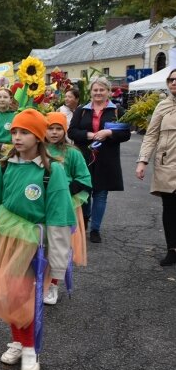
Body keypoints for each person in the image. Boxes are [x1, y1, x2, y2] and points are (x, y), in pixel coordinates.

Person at [0, 109, 74, 370]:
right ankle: (19, 341)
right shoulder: (5, 166)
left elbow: (58, 220)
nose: (17, 137)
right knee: (9, 294)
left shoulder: (51, 171)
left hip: (34, 242)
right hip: (5, 239)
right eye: (15, 132)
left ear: (38, 136)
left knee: (22, 294)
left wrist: (57, 265)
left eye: (25, 132)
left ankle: (30, 347)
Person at [68, 76, 131, 244]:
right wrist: (90, 135)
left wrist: (108, 133)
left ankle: (95, 229)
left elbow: (126, 133)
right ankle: (86, 216)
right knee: (85, 191)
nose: (98, 93)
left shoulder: (117, 111)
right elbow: (71, 132)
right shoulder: (82, 110)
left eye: (102, 90)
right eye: (95, 90)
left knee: (101, 193)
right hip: (84, 157)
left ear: (108, 92)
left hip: (107, 158)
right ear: (90, 92)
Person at [44, 112, 92, 304]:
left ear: (65, 131)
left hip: (63, 205)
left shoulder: (72, 153)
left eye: (58, 129)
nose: (54, 132)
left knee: (57, 247)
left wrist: (62, 191)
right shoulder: (37, 149)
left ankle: (53, 285)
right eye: (50, 128)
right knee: (38, 246)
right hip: (40, 204)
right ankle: (38, 282)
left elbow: (83, 179)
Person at [136, 69, 176, 266]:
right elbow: (151, 135)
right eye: (171, 79)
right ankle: (172, 249)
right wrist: (142, 161)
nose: (174, 82)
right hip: (167, 165)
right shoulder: (162, 106)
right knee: (170, 208)